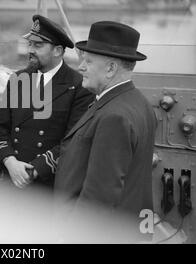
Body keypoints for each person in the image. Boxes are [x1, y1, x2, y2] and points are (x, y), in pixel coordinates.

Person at [53, 21, 157, 241]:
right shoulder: (138, 103)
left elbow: (98, 198)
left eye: (88, 61)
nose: (80, 67)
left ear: (111, 68)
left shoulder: (114, 116)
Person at [0, 15, 94, 189]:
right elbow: (0, 128)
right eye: (29, 44)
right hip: (11, 176)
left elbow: (73, 142)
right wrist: (10, 161)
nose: (30, 50)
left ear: (57, 51)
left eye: (38, 45)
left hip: (48, 183)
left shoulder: (78, 86)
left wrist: (35, 170)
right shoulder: (18, 79)